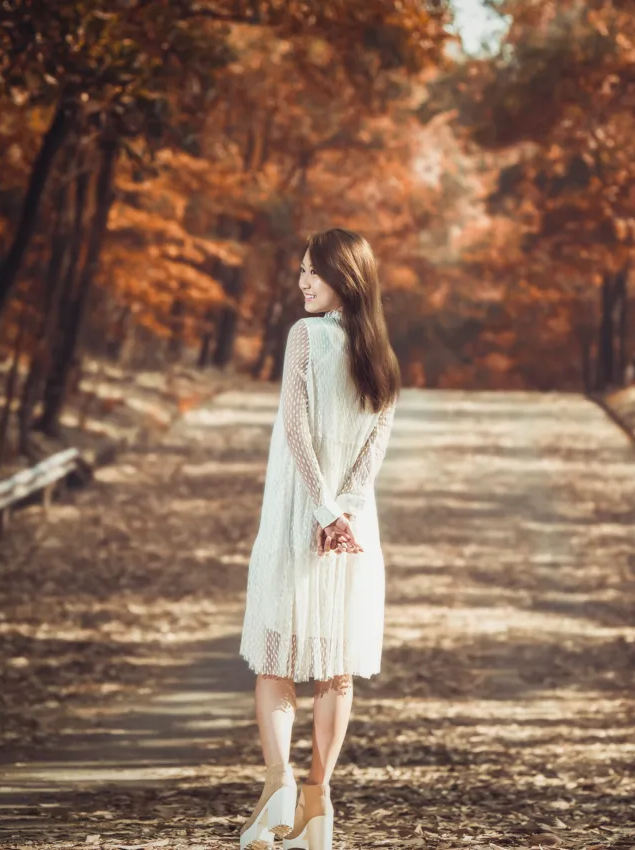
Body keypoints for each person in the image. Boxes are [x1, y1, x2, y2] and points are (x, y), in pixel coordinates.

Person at [237, 228, 400, 850]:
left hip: (299, 518)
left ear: (344, 279)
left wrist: (324, 512)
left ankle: (278, 787)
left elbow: (297, 436)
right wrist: (347, 515)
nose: (301, 282)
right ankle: (318, 806)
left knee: (277, 657)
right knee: (336, 669)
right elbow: (371, 457)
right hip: (353, 531)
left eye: (312, 272)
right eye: (301, 271)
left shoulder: (305, 338)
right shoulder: (382, 356)